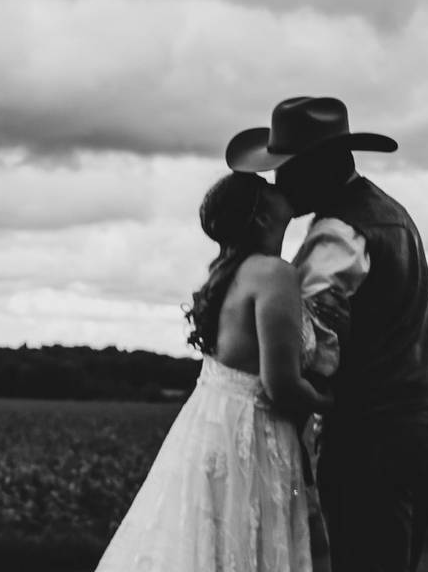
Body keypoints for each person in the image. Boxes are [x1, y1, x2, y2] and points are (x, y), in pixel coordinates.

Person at [226, 96, 428, 572]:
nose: (276, 180)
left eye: (285, 168)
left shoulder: (336, 235)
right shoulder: (391, 213)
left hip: (371, 437)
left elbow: (313, 350)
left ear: (315, 169)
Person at [94, 170, 332, 572]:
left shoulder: (231, 272)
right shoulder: (274, 274)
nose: (277, 184)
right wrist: (334, 403)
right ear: (260, 217)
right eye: (266, 188)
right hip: (253, 435)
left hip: (211, 427)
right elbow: (280, 385)